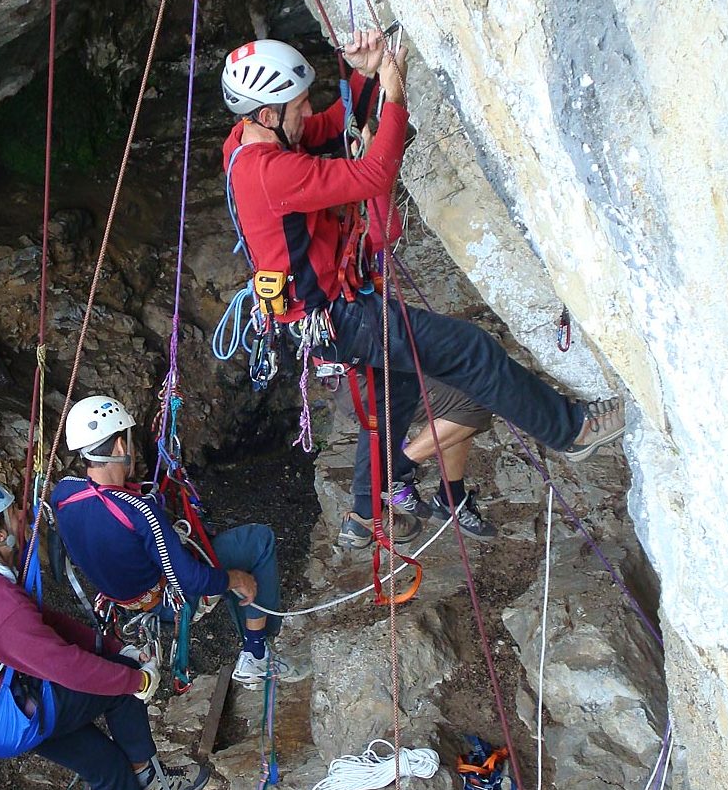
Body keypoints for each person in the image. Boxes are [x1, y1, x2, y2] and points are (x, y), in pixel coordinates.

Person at [218, 33, 625, 551]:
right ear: (269, 114)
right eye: (298, 106)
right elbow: (373, 174)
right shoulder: (272, 173)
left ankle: (365, 513)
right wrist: (395, 93)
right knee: (472, 350)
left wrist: (365, 73)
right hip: (340, 318)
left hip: (324, 315)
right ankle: (572, 431)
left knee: (396, 395)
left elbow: (334, 125)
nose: (307, 112)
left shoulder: (247, 142)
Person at [0, 480, 209, 790]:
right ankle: (149, 778)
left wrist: (110, 646)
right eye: (12, 511)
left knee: (107, 765)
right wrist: (137, 681)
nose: (22, 513)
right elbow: (66, 666)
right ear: (0, 535)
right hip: (6, 720)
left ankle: (135, 781)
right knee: (120, 682)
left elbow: (41, 621)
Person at [51, 395, 309, 689]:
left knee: (215, 547)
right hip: (165, 602)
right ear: (121, 447)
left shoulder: (63, 494)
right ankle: (257, 655)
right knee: (258, 541)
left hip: (121, 602)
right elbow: (191, 580)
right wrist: (238, 579)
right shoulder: (138, 511)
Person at [384, 378, 495, 541]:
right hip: (376, 385)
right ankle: (396, 471)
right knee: (474, 400)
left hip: (384, 381)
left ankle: (451, 498)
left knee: (462, 401)